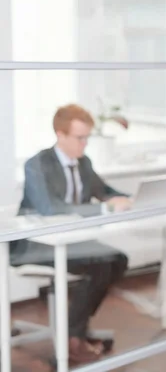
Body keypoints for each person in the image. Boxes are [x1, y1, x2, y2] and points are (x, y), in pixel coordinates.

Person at [12, 104, 131, 362]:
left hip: (71, 240)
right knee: (100, 266)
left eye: (87, 137)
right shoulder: (37, 164)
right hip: (35, 243)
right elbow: (50, 208)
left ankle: (72, 329)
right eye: (80, 137)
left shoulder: (84, 162)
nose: (84, 143)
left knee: (117, 259)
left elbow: (104, 191)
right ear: (60, 134)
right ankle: (74, 336)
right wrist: (104, 206)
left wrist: (127, 198)